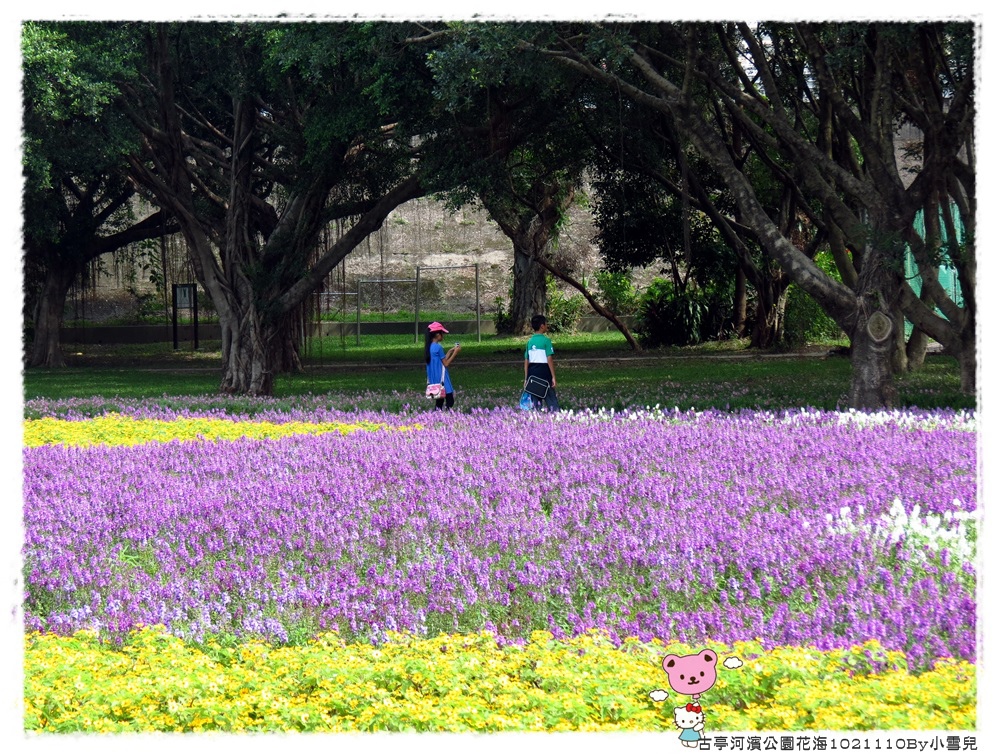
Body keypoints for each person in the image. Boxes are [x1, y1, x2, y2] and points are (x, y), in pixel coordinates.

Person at [523, 314, 559, 411]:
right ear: (542, 326)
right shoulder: (546, 341)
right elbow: (549, 359)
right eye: (546, 324)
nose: (547, 326)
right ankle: (556, 415)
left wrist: (526, 378)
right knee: (551, 399)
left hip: (532, 375)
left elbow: (526, 361)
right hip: (545, 375)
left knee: (535, 402)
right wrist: (553, 376)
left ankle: (537, 419)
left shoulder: (529, 342)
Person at [425, 321, 461, 410]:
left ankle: (438, 416)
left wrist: (449, 351)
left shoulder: (429, 347)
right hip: (442, 377)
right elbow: (446, 363)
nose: (443, 336)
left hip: (435, 377)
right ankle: (447, 415)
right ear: (437, 334)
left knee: (439, 400)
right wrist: (455, 353)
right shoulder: (438, 347)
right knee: (450, 400)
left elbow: (441, 360)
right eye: (442, 334)